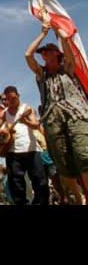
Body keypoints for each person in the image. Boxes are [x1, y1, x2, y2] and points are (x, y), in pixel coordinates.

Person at [25, 15, 88, 204]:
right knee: (63, 164)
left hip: (76, 115)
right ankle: (78, 199)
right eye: (43, 52)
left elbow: (67, 42)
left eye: (47, 51)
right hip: (52, 119)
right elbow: (28, 55)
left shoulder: (67, 67)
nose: (43, 53)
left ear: (56, 54)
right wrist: (43, 33)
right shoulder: (41, 74)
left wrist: (55, 26)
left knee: (84, 155)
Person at [0, 86, 49, 205]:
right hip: (13, 152)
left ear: (18, 95)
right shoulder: (3, 113)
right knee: (16, 184)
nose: (10, 101)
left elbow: (36, 124)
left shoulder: (26, 108)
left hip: (31, 149)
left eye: (13, 98)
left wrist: (26, 122)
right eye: (7, 99)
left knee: (40, 181)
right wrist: (1, 131)